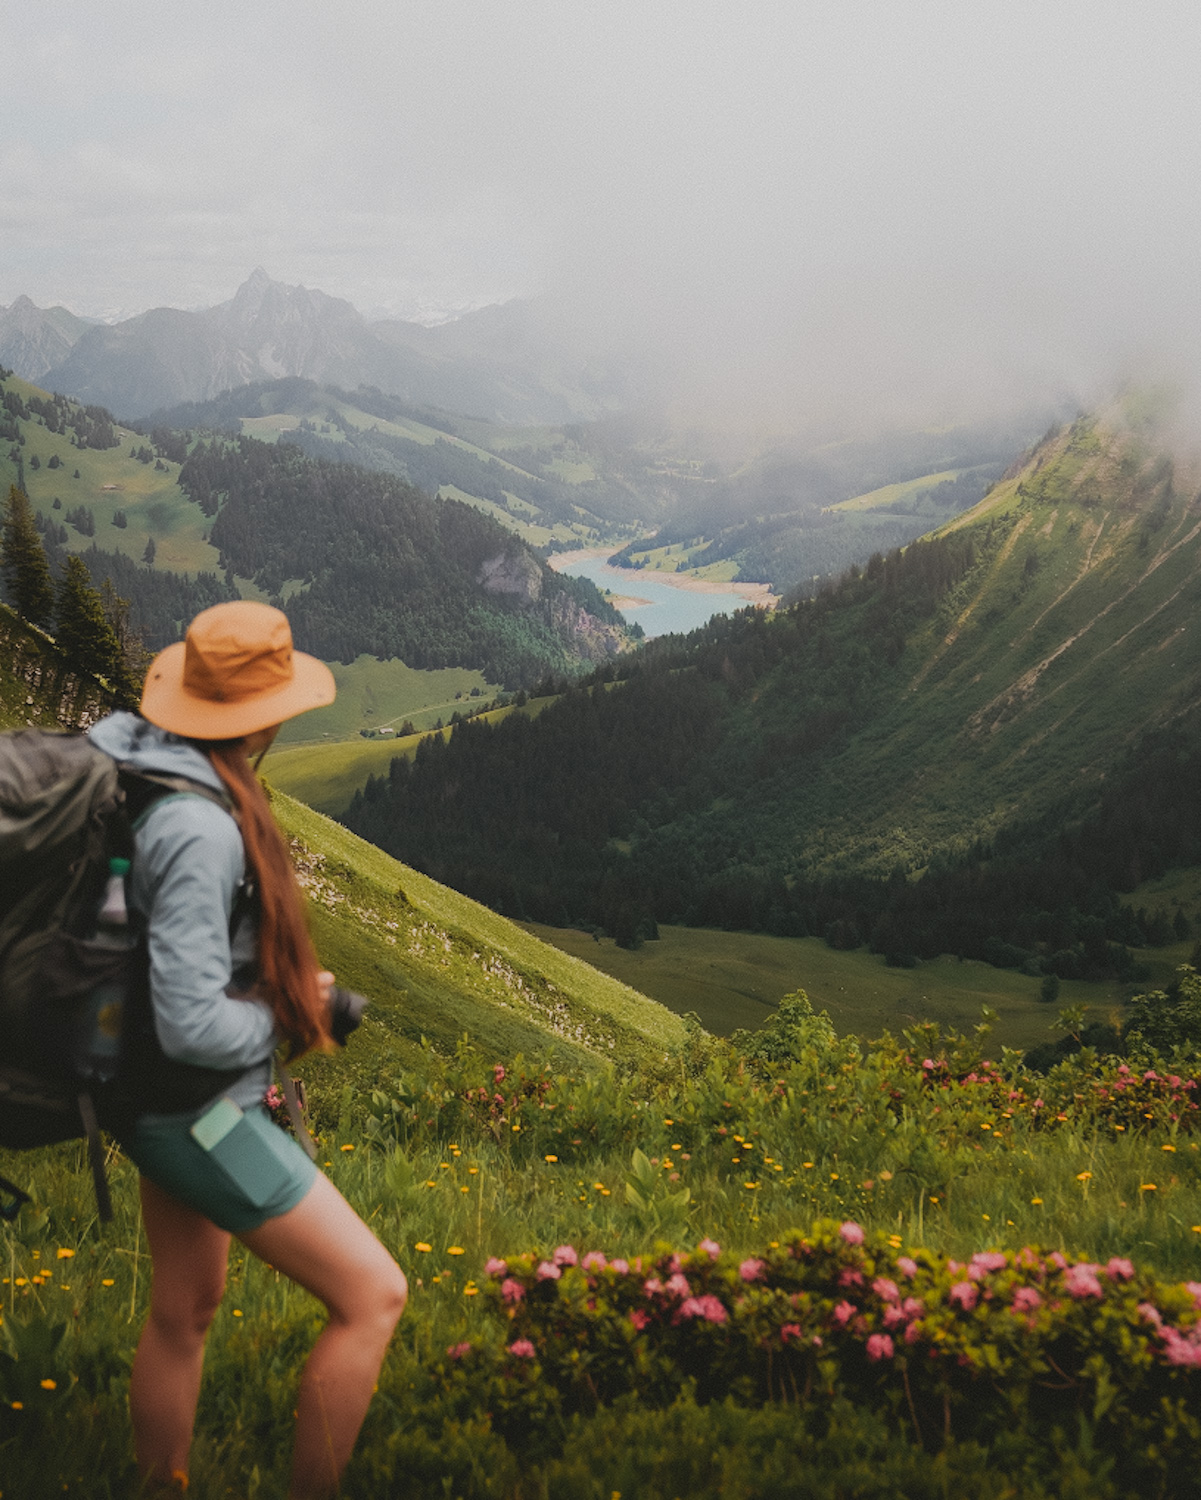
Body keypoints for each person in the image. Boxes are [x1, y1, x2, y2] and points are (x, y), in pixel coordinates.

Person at [88, 601, 407, 1499]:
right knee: (371, 1297)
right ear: (259, 715)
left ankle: (160, 1488)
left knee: (184, 1310)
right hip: (191, 1107)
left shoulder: (142, 755)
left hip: (143, 1083)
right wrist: (293, 1016)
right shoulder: (197, 824)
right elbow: (191, 1023)